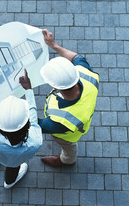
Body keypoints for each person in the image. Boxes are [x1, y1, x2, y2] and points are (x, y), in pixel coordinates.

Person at [38, 29, 99, 167]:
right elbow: (77, 58)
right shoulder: (86, 73)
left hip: (67, 135)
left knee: (69, 147)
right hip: (83, 117)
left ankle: (67, 161)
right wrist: (54, 45)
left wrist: (28, 90)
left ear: (56, 86)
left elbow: (38, 125)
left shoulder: (62, 120)